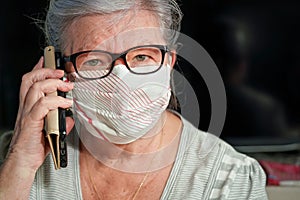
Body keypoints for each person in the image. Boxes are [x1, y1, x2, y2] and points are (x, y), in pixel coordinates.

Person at [0, 0, 268, 199]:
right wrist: (20, 163)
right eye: (93, 60)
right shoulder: (17, 158)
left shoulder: (231, 178)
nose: (121, 79)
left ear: (169, 63)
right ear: (60, 71)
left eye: (141, 57)